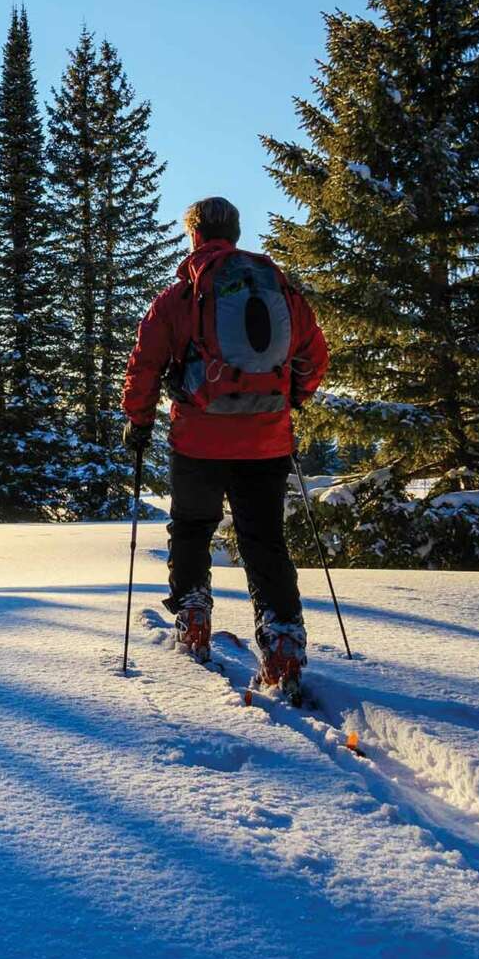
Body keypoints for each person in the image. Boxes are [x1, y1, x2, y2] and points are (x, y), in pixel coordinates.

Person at [121, 196, 329, 700]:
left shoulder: (179, 297)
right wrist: (288, 400)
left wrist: (138, 420)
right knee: (264, 541)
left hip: (198, 438)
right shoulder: (278, 287)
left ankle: (193, 616)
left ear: (195, 235)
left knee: (192, 528)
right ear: (234, 233)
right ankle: (281, 641)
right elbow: (314, 354)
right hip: (266, 440)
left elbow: (145, 363)